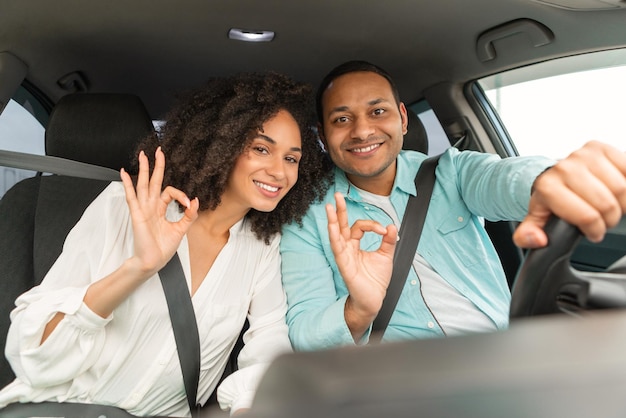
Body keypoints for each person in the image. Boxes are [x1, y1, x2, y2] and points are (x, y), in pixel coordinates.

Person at [0, 72, 332, 416]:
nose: (279, 171)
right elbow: (33, 354)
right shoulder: (128, 206)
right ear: (223, 144)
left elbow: (268, 342)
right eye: (261, 149)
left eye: (291, 158)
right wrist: (139, 267)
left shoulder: (262, 246)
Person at [280, 60, 626, 350]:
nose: (362, 130)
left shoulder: (451, 171)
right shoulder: (306, 216)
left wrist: (549, 179)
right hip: (401, 386)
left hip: (507, 357)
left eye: (378, 111)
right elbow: (304, 332)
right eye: (342, 119)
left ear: (402, 118)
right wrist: (358, 310)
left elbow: (502, 178)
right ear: (323, 138)